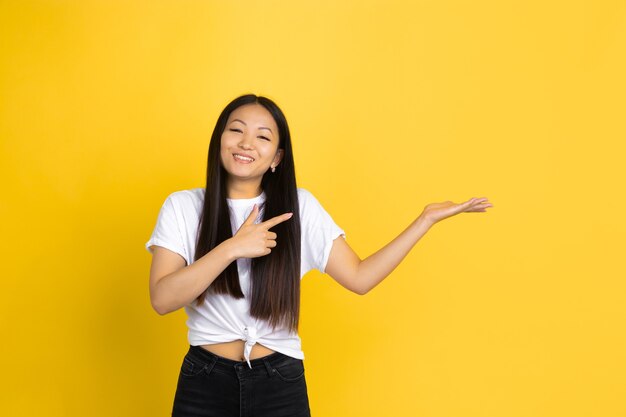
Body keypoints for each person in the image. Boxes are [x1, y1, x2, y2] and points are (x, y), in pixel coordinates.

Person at [145, 94, 493, 417]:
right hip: (205, 379)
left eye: (263, 137)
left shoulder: (300, 208)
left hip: (279, 381)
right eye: (236, 131)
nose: (247, 143)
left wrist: (425, 220)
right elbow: (162, 299)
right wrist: (233, 247)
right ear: (219, 139)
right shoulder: (184, 206)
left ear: (277, 157)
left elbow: (360, 278)